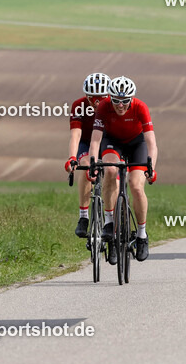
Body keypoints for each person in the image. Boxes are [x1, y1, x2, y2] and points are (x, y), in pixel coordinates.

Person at [87, 75, 158, 263]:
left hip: (137, 144)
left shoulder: (140, 107)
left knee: (135, 186)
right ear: (110, 98)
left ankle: (142, 235)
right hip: (113, 142)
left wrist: (152, 167)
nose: (120, 105)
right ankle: (110, 222)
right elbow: (95, 140)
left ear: (131, 99)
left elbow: (151, 142)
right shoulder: (103, 107)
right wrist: (93, 163)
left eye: (125, 101)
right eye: (116, 101)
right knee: (110, 170)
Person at [65, 72, 110, 238]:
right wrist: (72, 158)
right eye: (93, 98)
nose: (97, 102)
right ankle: (83, 217)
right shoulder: (79, 106)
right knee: (84, 165)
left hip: (106, 142)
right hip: (86, 141)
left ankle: (112, 219)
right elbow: (75, 135)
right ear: (86, 96)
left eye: (102, 98)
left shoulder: (113, 106)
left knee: (113, 173)